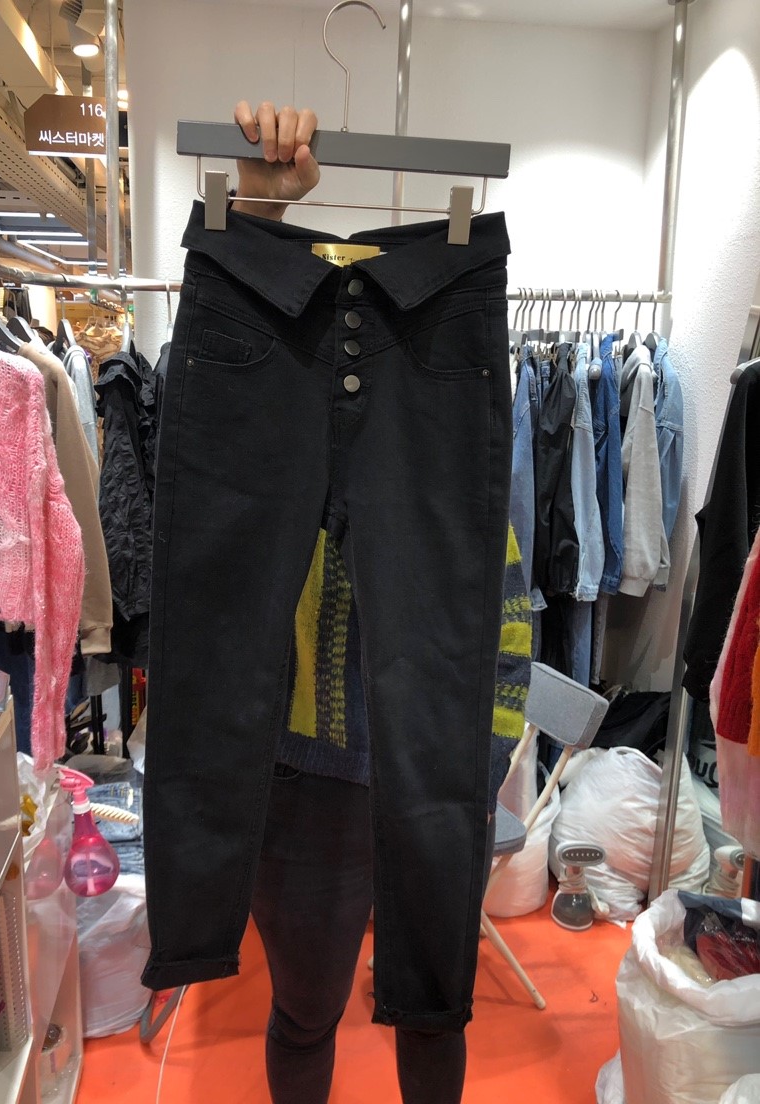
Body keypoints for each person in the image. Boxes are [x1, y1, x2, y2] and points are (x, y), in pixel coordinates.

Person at [225, 101, 532, 1104]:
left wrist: (472, 768)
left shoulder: (440, 431)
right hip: (301, 783)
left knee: (433, 1012)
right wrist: (258, 214)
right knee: (306, 1010)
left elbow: (504, 615)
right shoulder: (264, 428)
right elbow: (220, 583)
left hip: (425, 766)